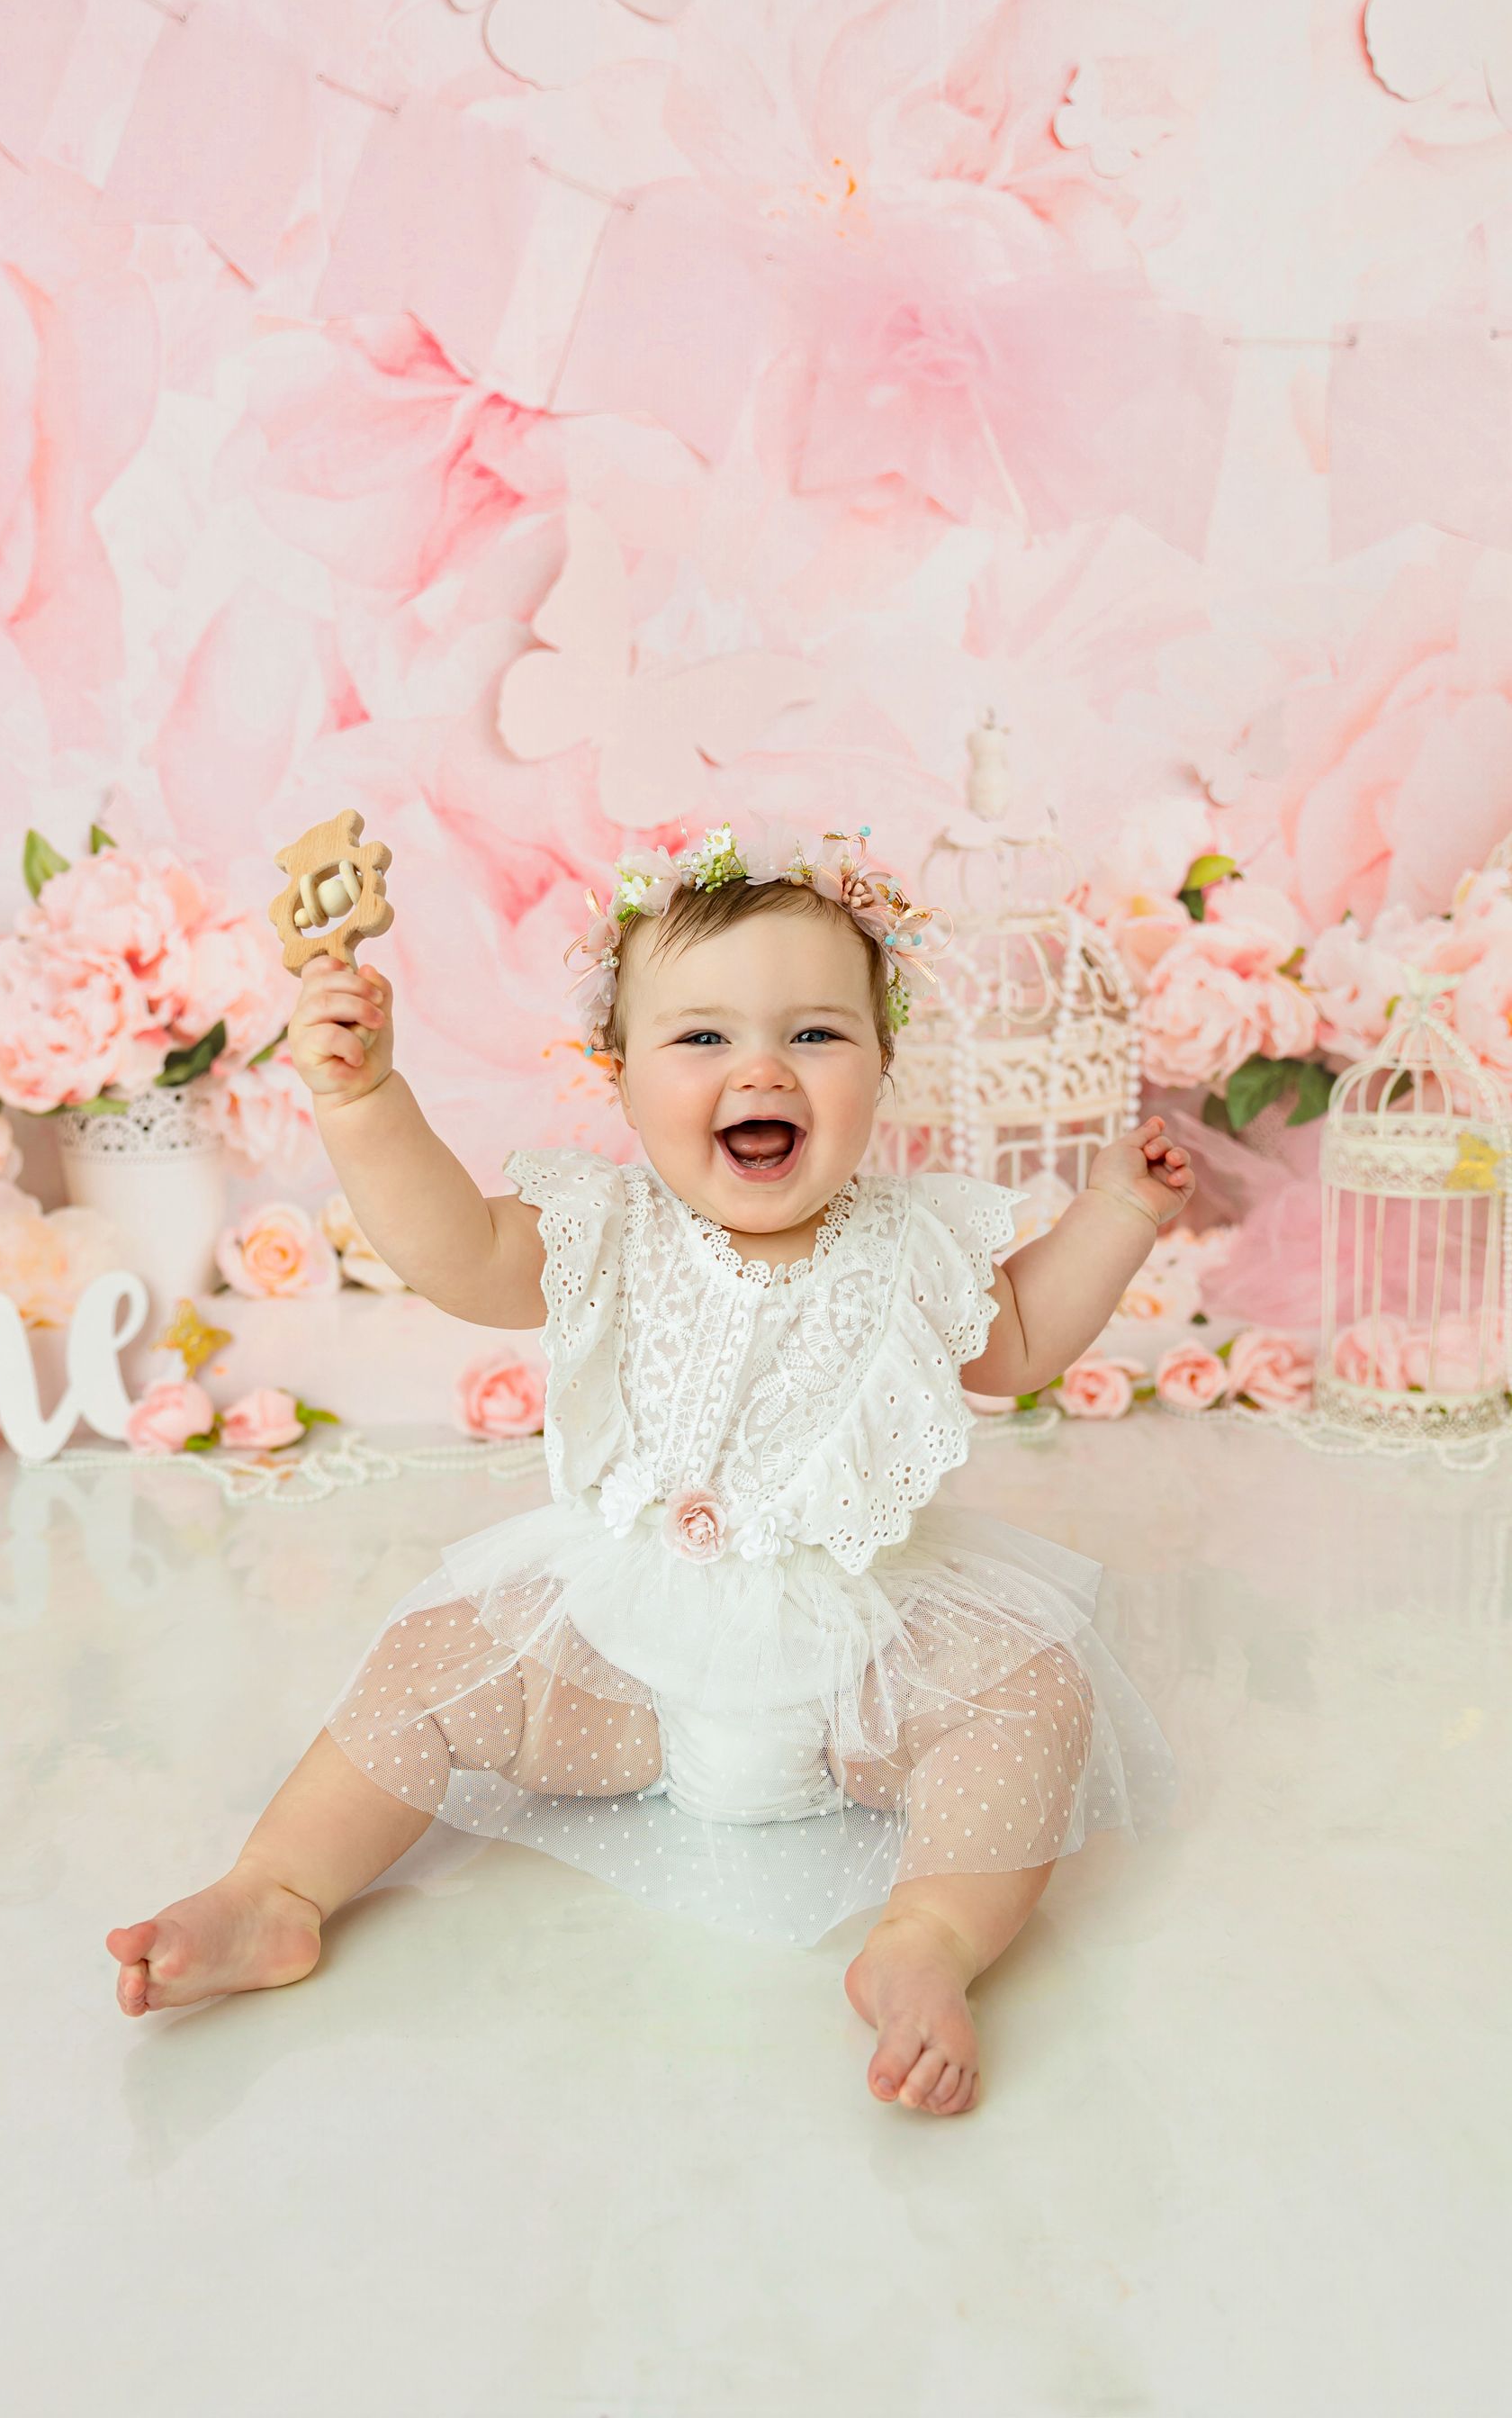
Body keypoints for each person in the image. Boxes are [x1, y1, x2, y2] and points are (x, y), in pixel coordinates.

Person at [108, 821, 1185, 2118]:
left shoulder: (911, 1240)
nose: (762, 1068)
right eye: (703, 1037)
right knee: (428, 1663)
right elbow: (448, 1248)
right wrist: (362, 1100)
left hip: (858, 1667)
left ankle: (929, 1942)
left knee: (1033, 1693)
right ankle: (275, 1890)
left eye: (816, 1034)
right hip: (619, 1665)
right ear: (617, 1080)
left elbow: (1014, 1344)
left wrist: (1118, 1214)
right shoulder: (603, 1229)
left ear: (882, 1064)